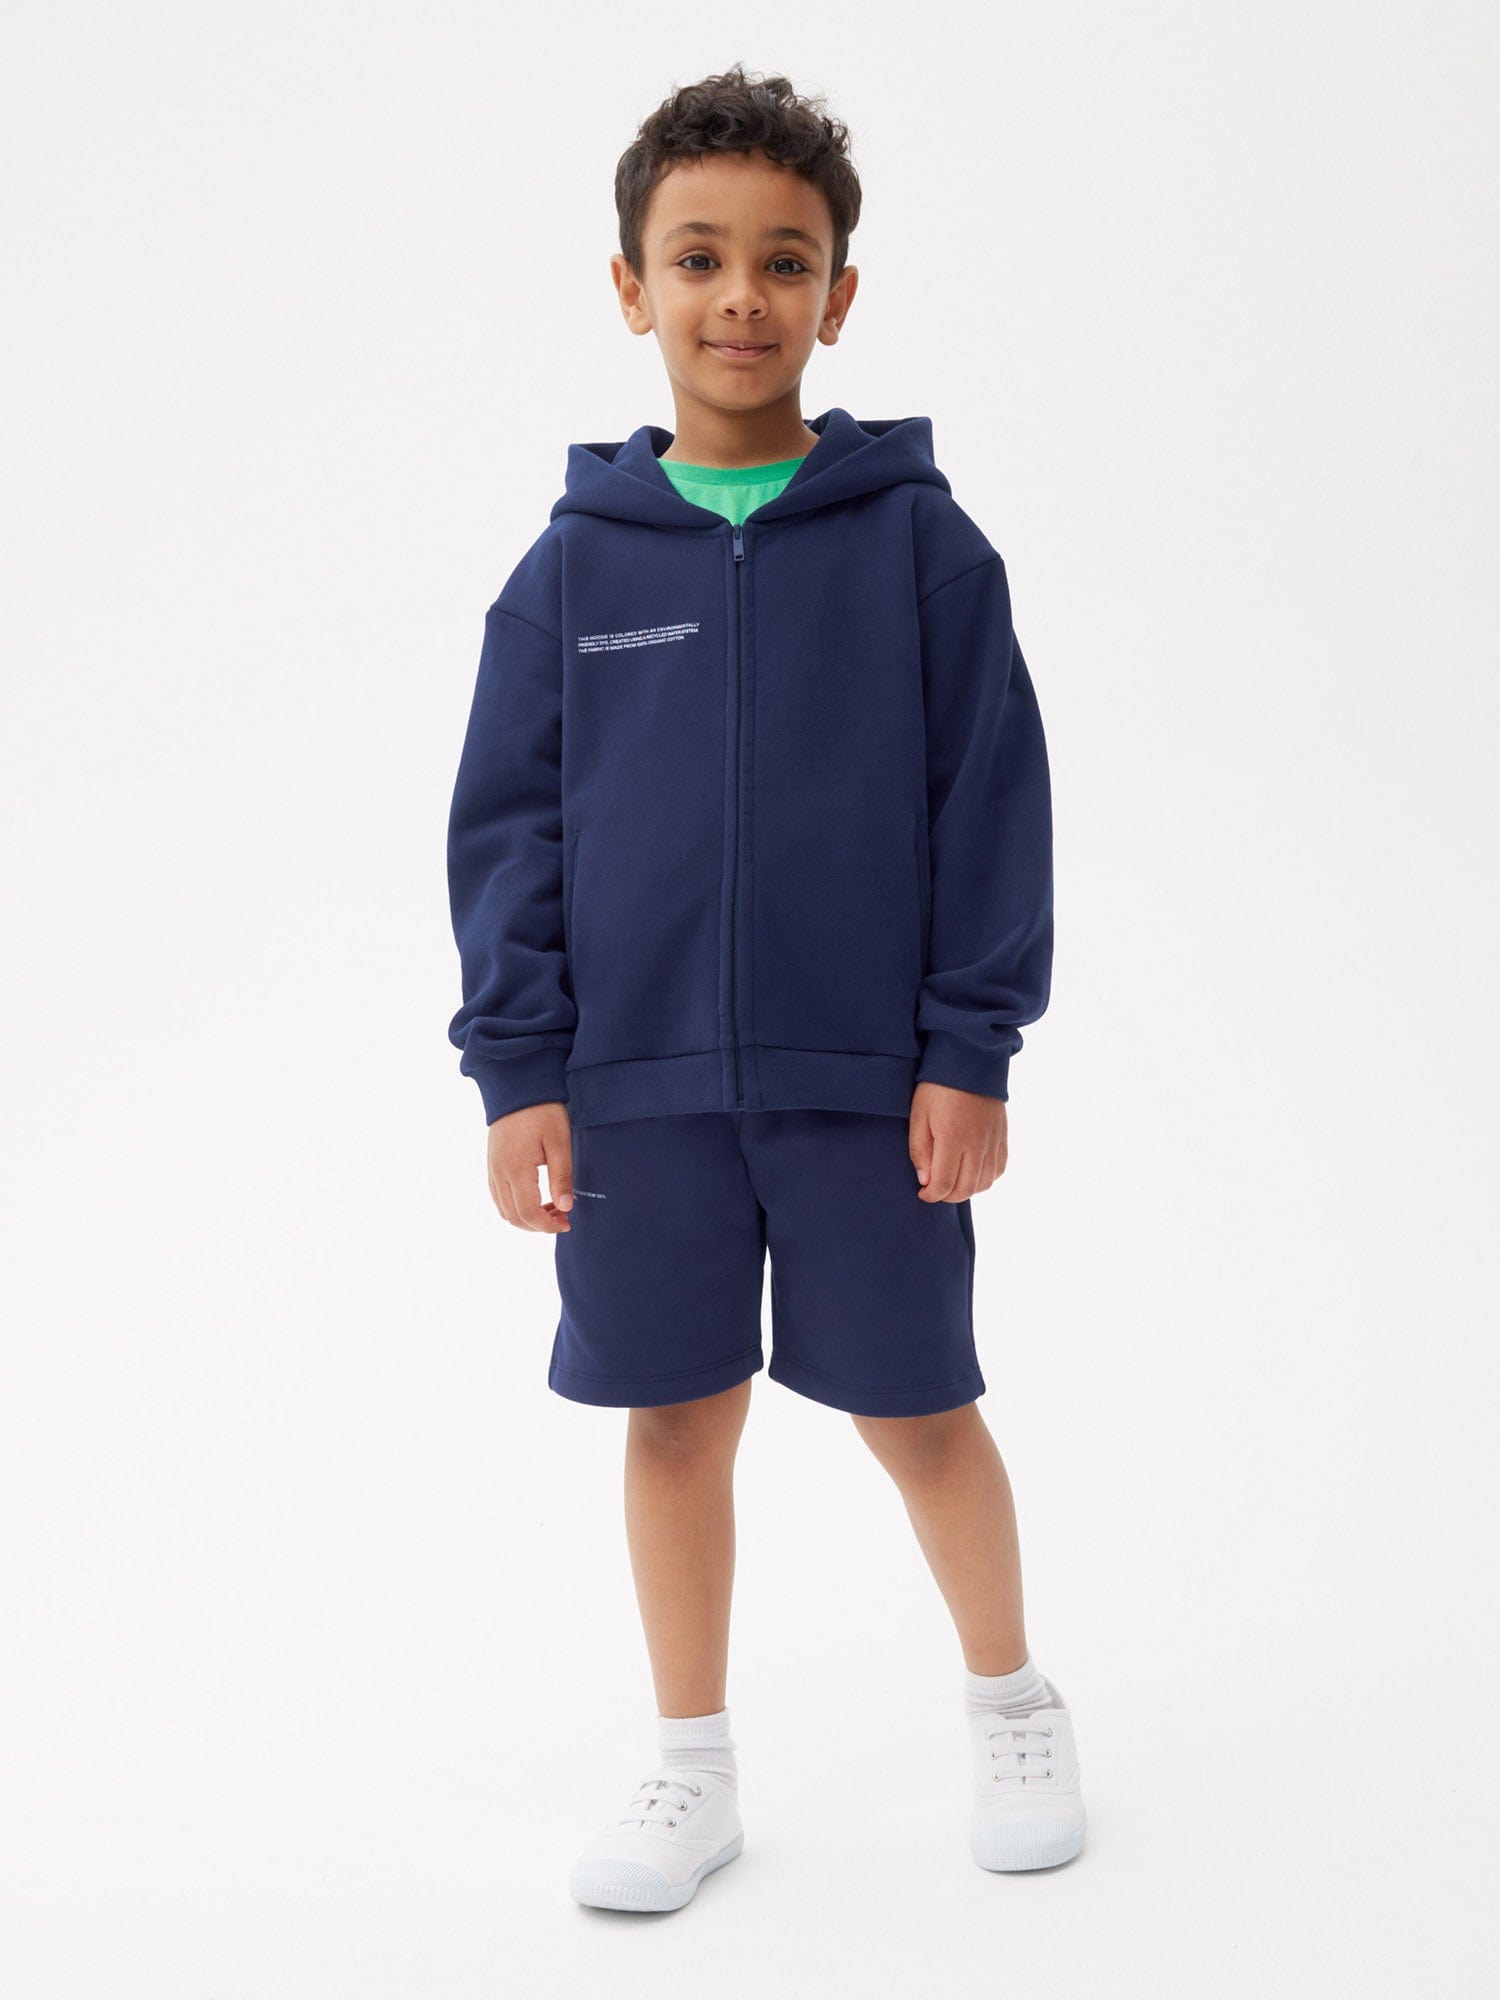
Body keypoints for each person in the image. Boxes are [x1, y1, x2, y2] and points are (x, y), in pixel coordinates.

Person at [445, 64, 1085, 1912]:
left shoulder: (920, 547)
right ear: (631, 286)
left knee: (919, 1408)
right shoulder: (571, 570)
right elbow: (508, 834)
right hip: (637, 1089)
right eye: (700, 257)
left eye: (785, 261)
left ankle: (1013, 1701)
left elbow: (992, 807)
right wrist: (521, 1072)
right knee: (673, 1419)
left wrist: (970, 1049)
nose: (743, 295)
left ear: (838, 296)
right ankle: (691, 1767)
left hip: (868, 1082)